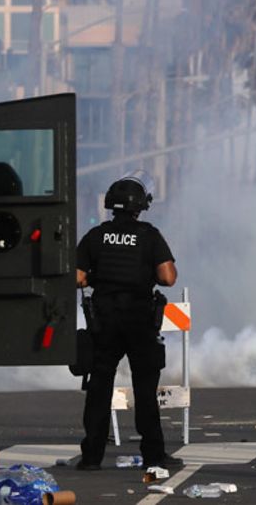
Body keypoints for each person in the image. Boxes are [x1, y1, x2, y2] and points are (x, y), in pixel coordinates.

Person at [76, 174, 179, 471]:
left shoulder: (96, 236)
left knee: (99, 389)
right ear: (139, 207)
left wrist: (100, 277)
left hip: (104, 321)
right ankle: (153, 455)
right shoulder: (149, 235)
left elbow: (78, 277)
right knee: (145, 391)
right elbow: (167, 277)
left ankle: (92, 456)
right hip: (139, 320)